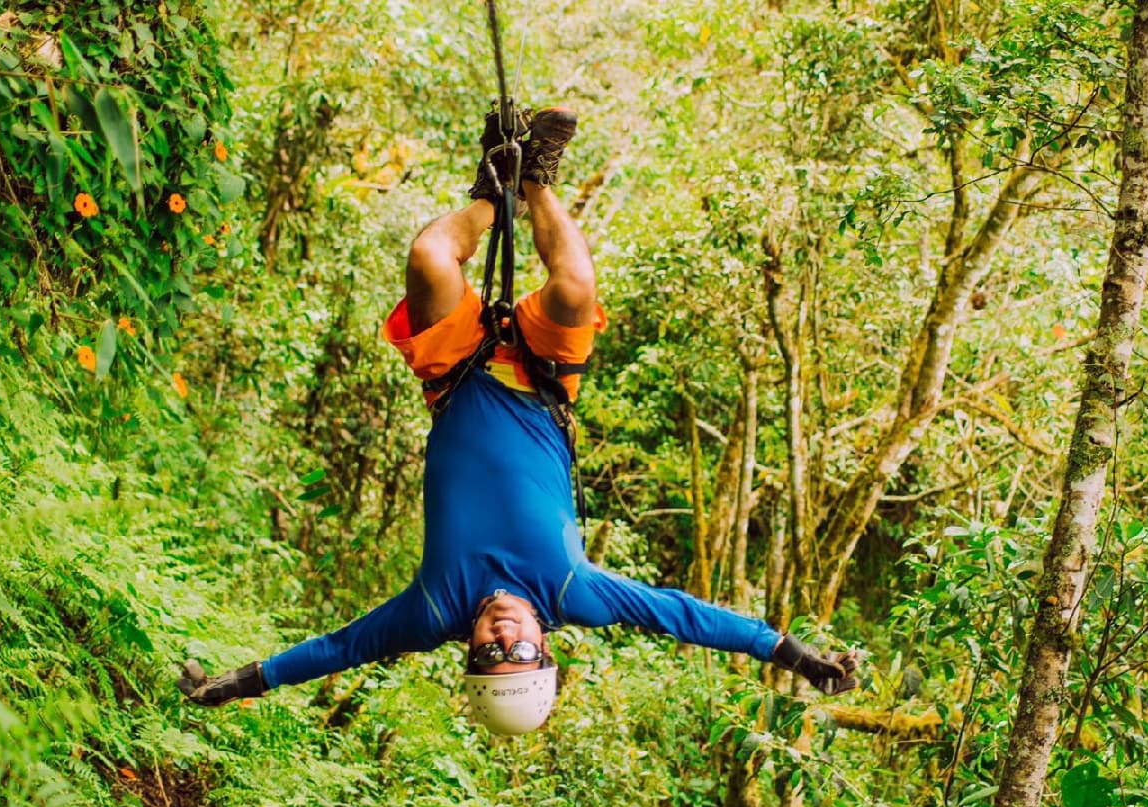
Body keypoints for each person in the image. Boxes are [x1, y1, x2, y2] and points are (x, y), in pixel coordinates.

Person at [178, 105, 861, 734]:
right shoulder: (576, 594)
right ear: (547, 652)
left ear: (469, 656)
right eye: (522, 653)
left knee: (427, 259)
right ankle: (534, 183)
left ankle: (487, 196)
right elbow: (685, 616)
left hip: (457, 373)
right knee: (574, 289)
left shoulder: (434, 612)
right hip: (542, 383)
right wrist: (795, 656)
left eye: (492, 655)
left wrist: (238, 683)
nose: (505, 635)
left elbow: (339, 648)